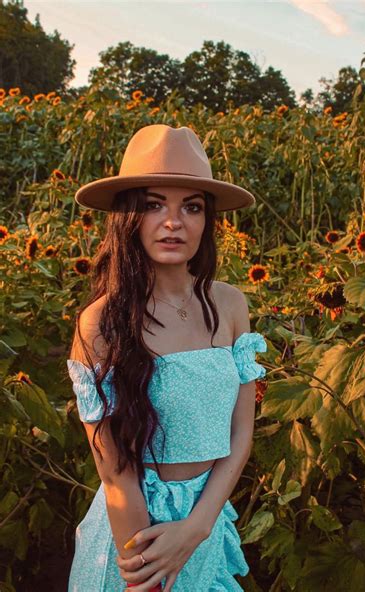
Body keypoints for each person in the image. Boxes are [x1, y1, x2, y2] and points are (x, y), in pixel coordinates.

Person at [66, 124, 267, 591]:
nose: (173, 222)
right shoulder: (101, 324)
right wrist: (149, 573)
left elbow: (241, 433)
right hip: (138, 540)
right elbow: (115, 474)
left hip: (206, 525)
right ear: (128, 216)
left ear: (207, 220)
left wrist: (196, 528)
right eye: (155, 204)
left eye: (191, 207)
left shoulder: (231, 305)